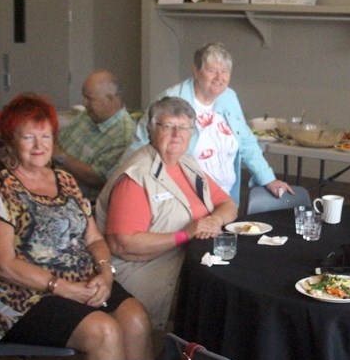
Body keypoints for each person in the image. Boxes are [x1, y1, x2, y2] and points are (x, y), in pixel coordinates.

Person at [0, 93, 152, 360]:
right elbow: (2, 264)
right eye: (28, 137)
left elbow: (93, 239)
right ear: (9, 141)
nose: (38, 146)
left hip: (83, 281)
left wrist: (105, 273)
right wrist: (62, 287)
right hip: (23, 297)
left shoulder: (65, 180)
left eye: (45, 137)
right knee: (104, 331)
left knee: (136, 318)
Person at [95, 96, 237, 330]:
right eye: (168, 126)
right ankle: (186, 358)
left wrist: (215, 220)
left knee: (229, 289)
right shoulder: (136, 176)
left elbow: (228, 204)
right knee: (218, 303)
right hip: (147, 270)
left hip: (187, 259)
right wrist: (185, 234)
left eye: (184, 127)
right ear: (151, 130)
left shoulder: (187, 163)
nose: (177, 134)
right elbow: (123, 244)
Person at [129, 42, 292, 204]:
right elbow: (139, 146)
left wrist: (268, 179)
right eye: (212, 71)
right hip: (183, 199)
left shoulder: (229, 97)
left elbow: (246, 141)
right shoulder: (171, 99)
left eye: (225, 71)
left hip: (225, 198)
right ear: (196, 70)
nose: (219, 78)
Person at [53, 71, 136, 202]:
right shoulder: (88, 115)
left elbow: (99, 179)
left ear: (110, 98)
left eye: (89, 98)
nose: (84, 103)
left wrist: (61, 156)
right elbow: (60, 140)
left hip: (77, 201)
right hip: (51, 181)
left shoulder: (124, 135)